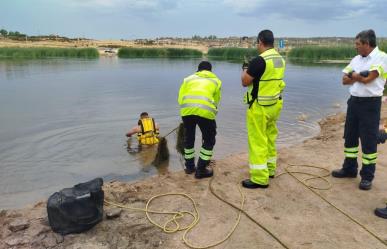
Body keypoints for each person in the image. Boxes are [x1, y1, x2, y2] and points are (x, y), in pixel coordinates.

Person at [331, 29, 387, 191]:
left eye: (357, 44)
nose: (355, 47)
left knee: (369, 141)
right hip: (354, 102)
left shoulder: (382, 57)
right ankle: (349, 169)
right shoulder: (356, 59)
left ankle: (367, 177)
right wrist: (358, 76)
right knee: (350, 137)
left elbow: (369, 79)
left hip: (370, 104)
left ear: (367, 44)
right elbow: (344, 80)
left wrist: (355, 76)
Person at [240, 29, 286, 189]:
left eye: (257, 43)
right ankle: (270, 169)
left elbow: (245, 82)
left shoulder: (259, 60)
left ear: (260, 41)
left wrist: (245, 68)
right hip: (275, 105)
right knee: (270, 138)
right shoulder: (280, 59)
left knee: (257, 141)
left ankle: (260, 178)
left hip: (260, 107)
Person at [178, 61, 222, 179]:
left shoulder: (188, 79)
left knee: (189, 139)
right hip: (206, 112)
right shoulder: (216, 81)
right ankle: (201, 169)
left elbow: (180, 98)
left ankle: (190, 167)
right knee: (209, 140)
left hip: (187, 111)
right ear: (210, 71)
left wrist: (188, 110)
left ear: (198, 70)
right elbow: (216, 100)